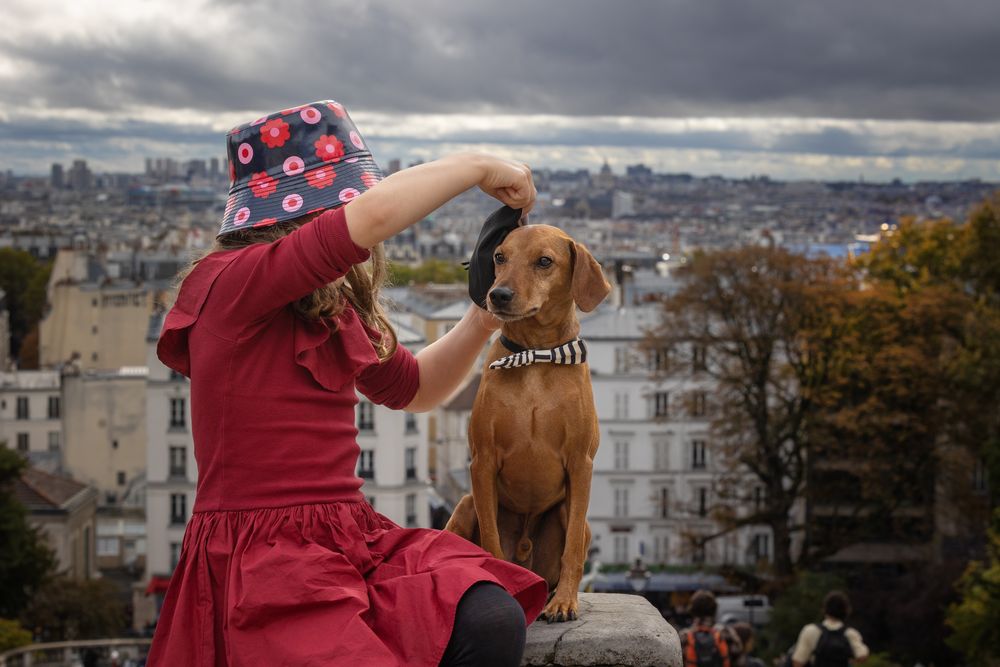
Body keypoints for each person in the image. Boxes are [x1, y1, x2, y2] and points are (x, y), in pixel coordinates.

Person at [146, 100, 549, 666]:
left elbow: (417, 387)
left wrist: (487, 314)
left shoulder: (325, 302)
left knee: (489, 616)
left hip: (343, 537)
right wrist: (477, 166)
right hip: (266, 556)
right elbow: (376, 219)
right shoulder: (235, 282)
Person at [791, 591, 869, 667]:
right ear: (846, 611)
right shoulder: (850, 633)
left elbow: (798, 662)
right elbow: (862, 656)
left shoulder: (811, 630)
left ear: (824, 609)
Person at [679, 589, 742, 667]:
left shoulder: (684, 636)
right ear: (714, 609)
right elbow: (739, 657)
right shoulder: (725, 632)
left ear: (692, 610)